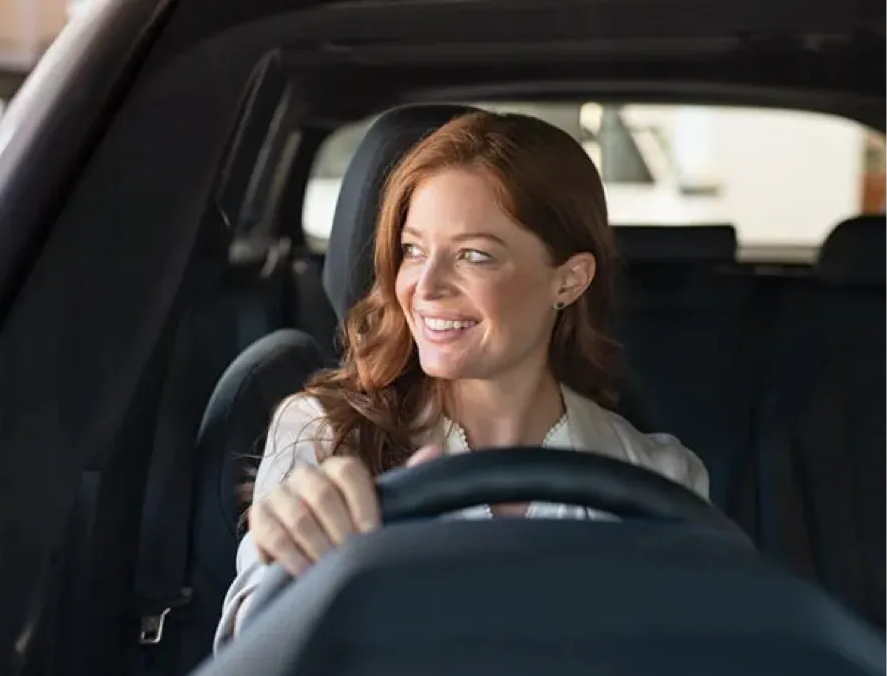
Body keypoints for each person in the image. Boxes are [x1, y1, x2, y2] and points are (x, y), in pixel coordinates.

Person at [214, 110, 709, 647]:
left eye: (474, 255)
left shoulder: (659, 479)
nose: (425, 287)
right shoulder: (325, 435)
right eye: (413, 251)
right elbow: (252, 649)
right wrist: (294, 558)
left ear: (568, 280)